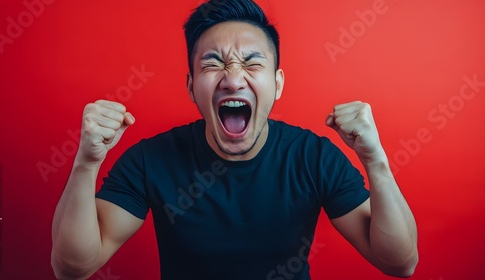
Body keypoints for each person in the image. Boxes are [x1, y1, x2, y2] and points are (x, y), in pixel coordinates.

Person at [51, 0, 418, 279]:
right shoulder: (151, 159)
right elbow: (73, 267)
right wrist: (86, 163)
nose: (233, 78)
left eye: (252, 63)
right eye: (213, 64)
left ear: (277, 85)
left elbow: (400, 262)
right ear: (192, 86)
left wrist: (377, 162)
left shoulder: (314, 157)